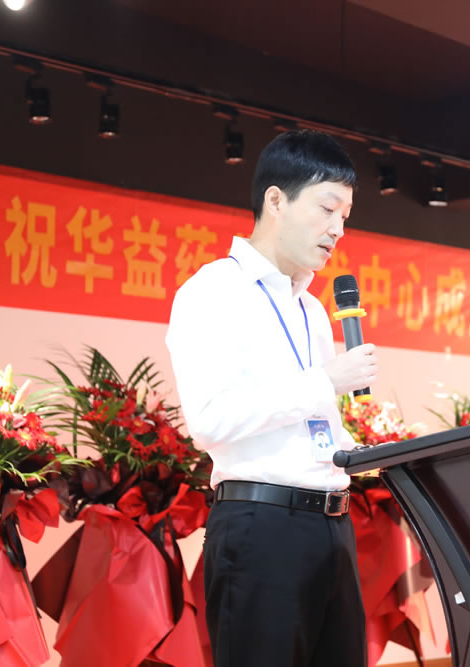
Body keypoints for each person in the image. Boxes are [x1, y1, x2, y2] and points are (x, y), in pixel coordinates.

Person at [165, 130, 377, 667]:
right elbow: (209, 421)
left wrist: (372, 457)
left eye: (345, 216)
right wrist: (325, 381)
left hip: (333, 527)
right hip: (263, 530)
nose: (338, 229)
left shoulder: (313, 310)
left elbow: (313, 427)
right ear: (276, 200)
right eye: (327, 209)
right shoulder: (214, 291)